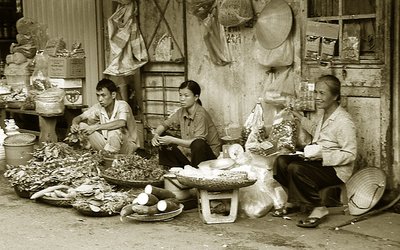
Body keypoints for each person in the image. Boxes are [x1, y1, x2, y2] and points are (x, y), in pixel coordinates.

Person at [272, 75, 357, 228]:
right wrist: (299, 117)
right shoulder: (324, 113)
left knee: (296, 168)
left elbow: (350, 154)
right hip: (318, 162)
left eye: (322, 93)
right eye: (316, 92)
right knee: (281, 161)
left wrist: (323, 155)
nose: (317, 97)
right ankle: (294, 202)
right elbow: (317, 131)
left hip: (336, 169)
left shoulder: (344, 121)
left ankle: (319, 207)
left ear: (335, 96)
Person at [151, 80, 221, 168]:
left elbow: (196, 143)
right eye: (180, 95)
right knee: (162, 137)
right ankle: (175, 170)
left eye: (186, 96)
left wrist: (172, 140)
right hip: (190, 156)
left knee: (198, 143)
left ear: (196, 97)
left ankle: (195, 173)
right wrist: (156, 135)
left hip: (208, 159)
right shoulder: (181, 111)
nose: (182, 98)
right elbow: (164, 125)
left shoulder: (201, 114)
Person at [70, 78, 139, 154]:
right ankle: (104, 155)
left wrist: (96, 127)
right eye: (98, 95)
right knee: (81, 126)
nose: (100, 99)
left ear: (113, 95)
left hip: (127, 147)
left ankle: (110, 160)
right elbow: (80, 117)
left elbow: (121, 123)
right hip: (108, 145)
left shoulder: (122, 105)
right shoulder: (99, 107)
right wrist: (74, 124)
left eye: (103, 95)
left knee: (113, 132)